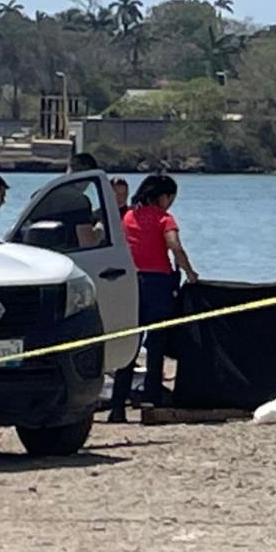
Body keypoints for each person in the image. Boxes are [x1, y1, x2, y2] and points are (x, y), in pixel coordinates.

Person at [107, 174, 199, 423]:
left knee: (130, 348)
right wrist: (190, 273)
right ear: (163, 197)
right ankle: (151, 401)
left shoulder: (127, 217)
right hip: (158, 285)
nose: (171, 204)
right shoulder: (164, 219)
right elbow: (175, 247)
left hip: (131, 284)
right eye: (170, 198)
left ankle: (118, 407)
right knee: (156, 346)